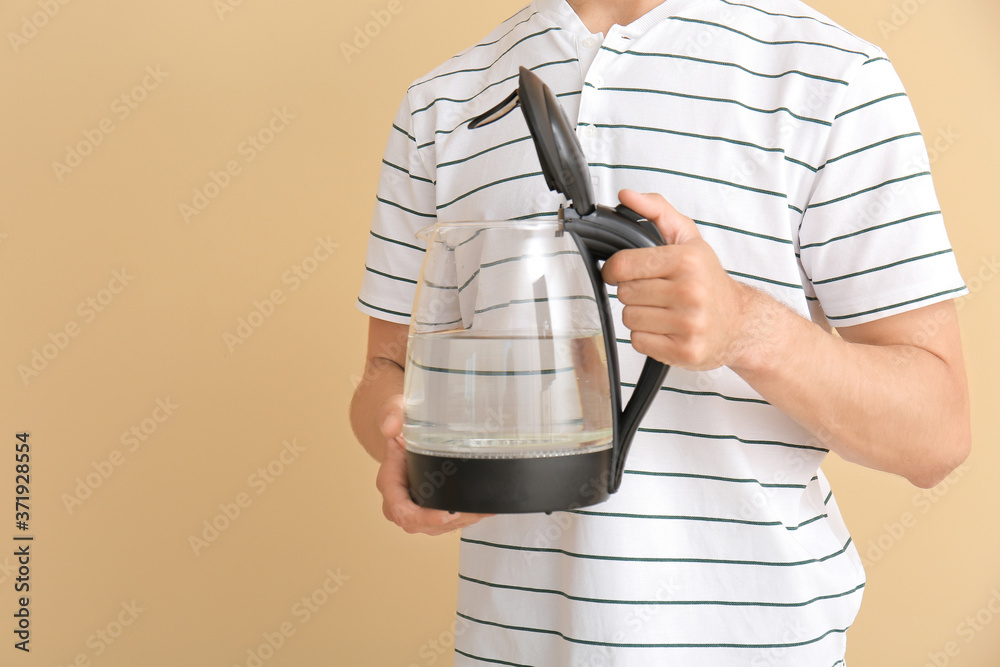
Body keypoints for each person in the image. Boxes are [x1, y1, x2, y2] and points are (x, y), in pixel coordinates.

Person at [350, 0, 971, 663]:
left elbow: (935, 434)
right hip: (512, 644)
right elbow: (386, 375)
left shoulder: (833, 78)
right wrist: (401, 436)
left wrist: (749, 331)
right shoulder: (440, 104)